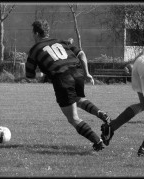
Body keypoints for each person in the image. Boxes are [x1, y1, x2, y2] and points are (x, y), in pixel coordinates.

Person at [25, 20, 111, 151]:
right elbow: (81, 54)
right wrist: (87, 73)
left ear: (36, 33)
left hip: (62, 78)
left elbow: (29, 76)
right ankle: (102, 114)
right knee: (78, 99)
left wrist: (46, 74)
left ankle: (97, 141)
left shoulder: (35, 49)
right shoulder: (61, 41)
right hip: (77, 73)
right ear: (47, 32)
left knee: (73, 118)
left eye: (33, 34)